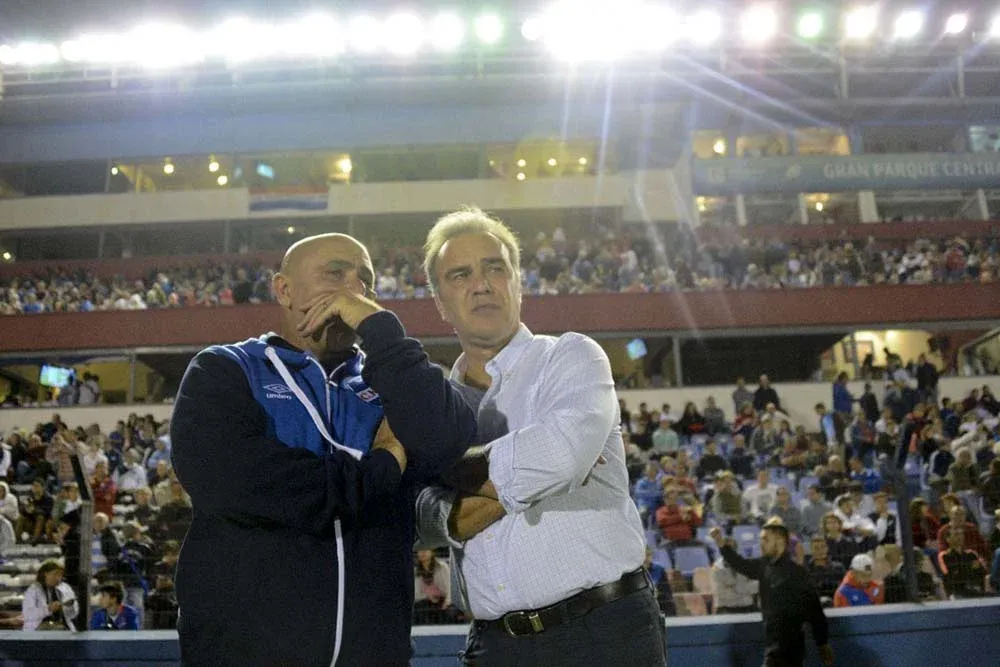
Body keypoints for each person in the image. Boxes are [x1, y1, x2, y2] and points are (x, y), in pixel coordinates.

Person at [170, 233, 476, 667]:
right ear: (284, 289)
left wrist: (381, 330)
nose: (354, 289)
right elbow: (260, 487)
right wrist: (386, 463)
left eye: (365, 282)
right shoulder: (224, 370)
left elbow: (449, 439)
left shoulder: (387, 382)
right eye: (335, 273)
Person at [413, 208, 664, 667]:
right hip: (493, 646)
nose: (482, 283)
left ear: (518, 283)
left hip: (604, 634)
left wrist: (444, 465)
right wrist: (536, 471)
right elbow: (417, 519)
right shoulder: (436, 404)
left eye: (495, 267)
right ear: (440, 302)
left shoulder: (572, 356)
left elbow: (562, 457)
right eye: (461, 274)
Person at [710, 524, 833, 667]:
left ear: (780, 542)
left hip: (789, 648)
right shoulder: (764, 565)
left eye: (766, 539)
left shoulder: (798, 573)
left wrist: (822, 644)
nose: (761, 543)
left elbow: (815, 611)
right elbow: (740, 564)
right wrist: (720, 542)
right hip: (772, 644)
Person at [22, 559, 80, 631]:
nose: (58, 578)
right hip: (38, 630)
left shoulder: (65, 588)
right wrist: (48, 609)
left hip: (62, 629)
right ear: (45, 573)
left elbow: (73, 615)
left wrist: (70, 606)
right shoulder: (33, 590)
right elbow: (28, 615)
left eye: (61, 574)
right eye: (55, 574)